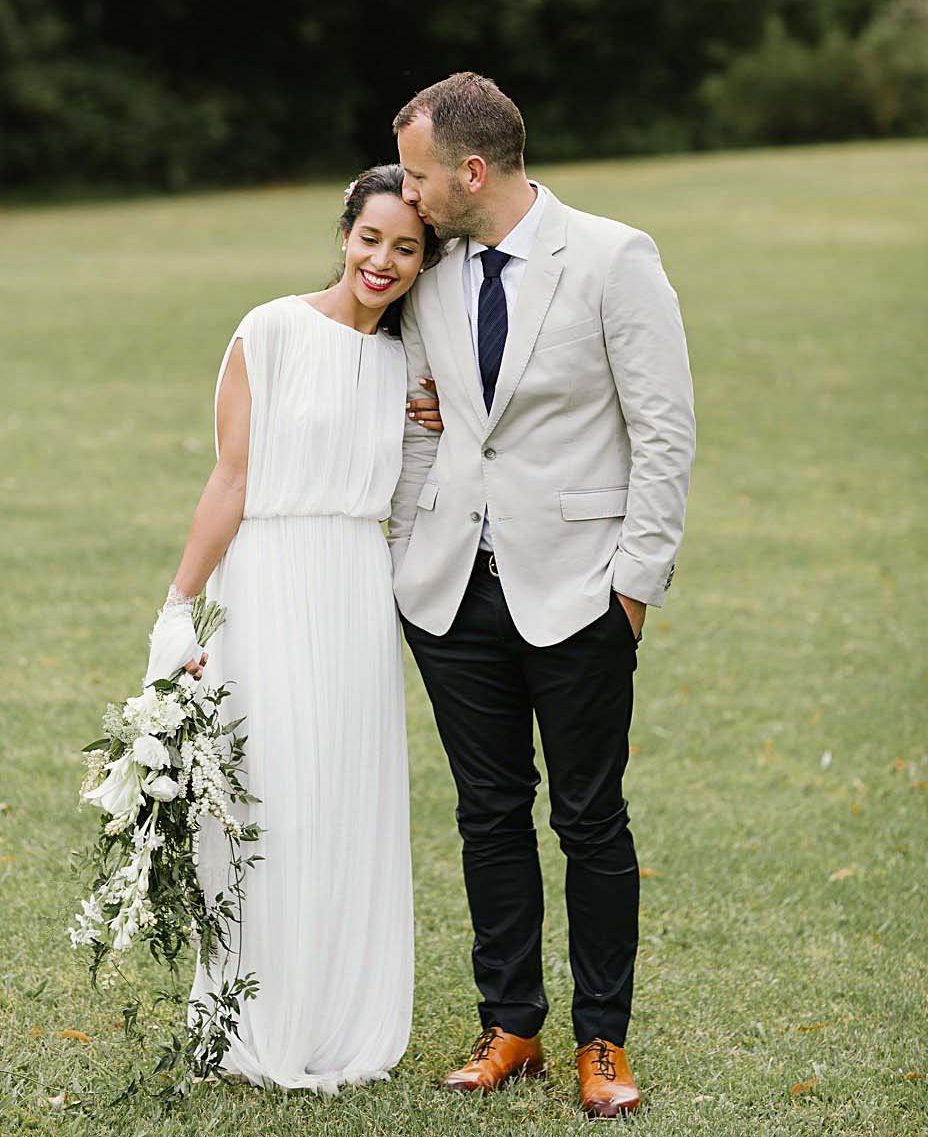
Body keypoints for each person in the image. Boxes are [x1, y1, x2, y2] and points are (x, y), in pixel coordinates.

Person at [389, 72, 695, 1120]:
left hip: (581, 595)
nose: (408, 193)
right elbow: (422, 422)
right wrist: (404, 554)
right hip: (450, 598)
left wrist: (634, 588)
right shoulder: (431, 268)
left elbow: (663, 431)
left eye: (422, 174)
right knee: (486, 813)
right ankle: (510, 1022)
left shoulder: (613, 258)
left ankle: (600, 1042)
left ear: (473, 172)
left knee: (589, 820)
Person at [143, 165, 443, 1094]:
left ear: (425, 258)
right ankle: (256, 1011)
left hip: (357, 593)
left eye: (406, 248)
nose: (382, 262)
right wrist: (178, 604)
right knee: (270, 795)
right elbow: (230, 480)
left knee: (343, 796)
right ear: (343, 233)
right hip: (269, 582)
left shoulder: (408, 367)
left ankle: (338, 1013)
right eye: (370, 239)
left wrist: (443, 422)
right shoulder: (268, 330)